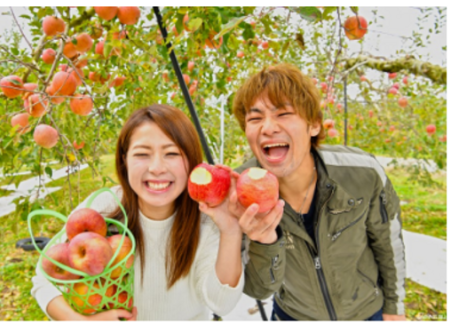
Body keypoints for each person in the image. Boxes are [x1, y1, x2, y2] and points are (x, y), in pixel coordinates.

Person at [31, 104, 258, 320]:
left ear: (191, 161)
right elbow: (43, 279)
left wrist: (230, 230)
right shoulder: (104, 208)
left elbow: (221, 303)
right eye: (142, 154)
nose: (157, 168)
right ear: (124, 160)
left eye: (172, 153)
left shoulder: (205, 221)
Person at [229, 63, 406, 321]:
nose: (267, 127)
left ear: (313, 125)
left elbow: (388, 243)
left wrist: (394, 309)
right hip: (293, 316)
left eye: (283, 114)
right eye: (255, 118)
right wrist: (263, 242)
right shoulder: (241, 196)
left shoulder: (362, 173)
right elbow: (258, 289)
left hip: (366, 313)